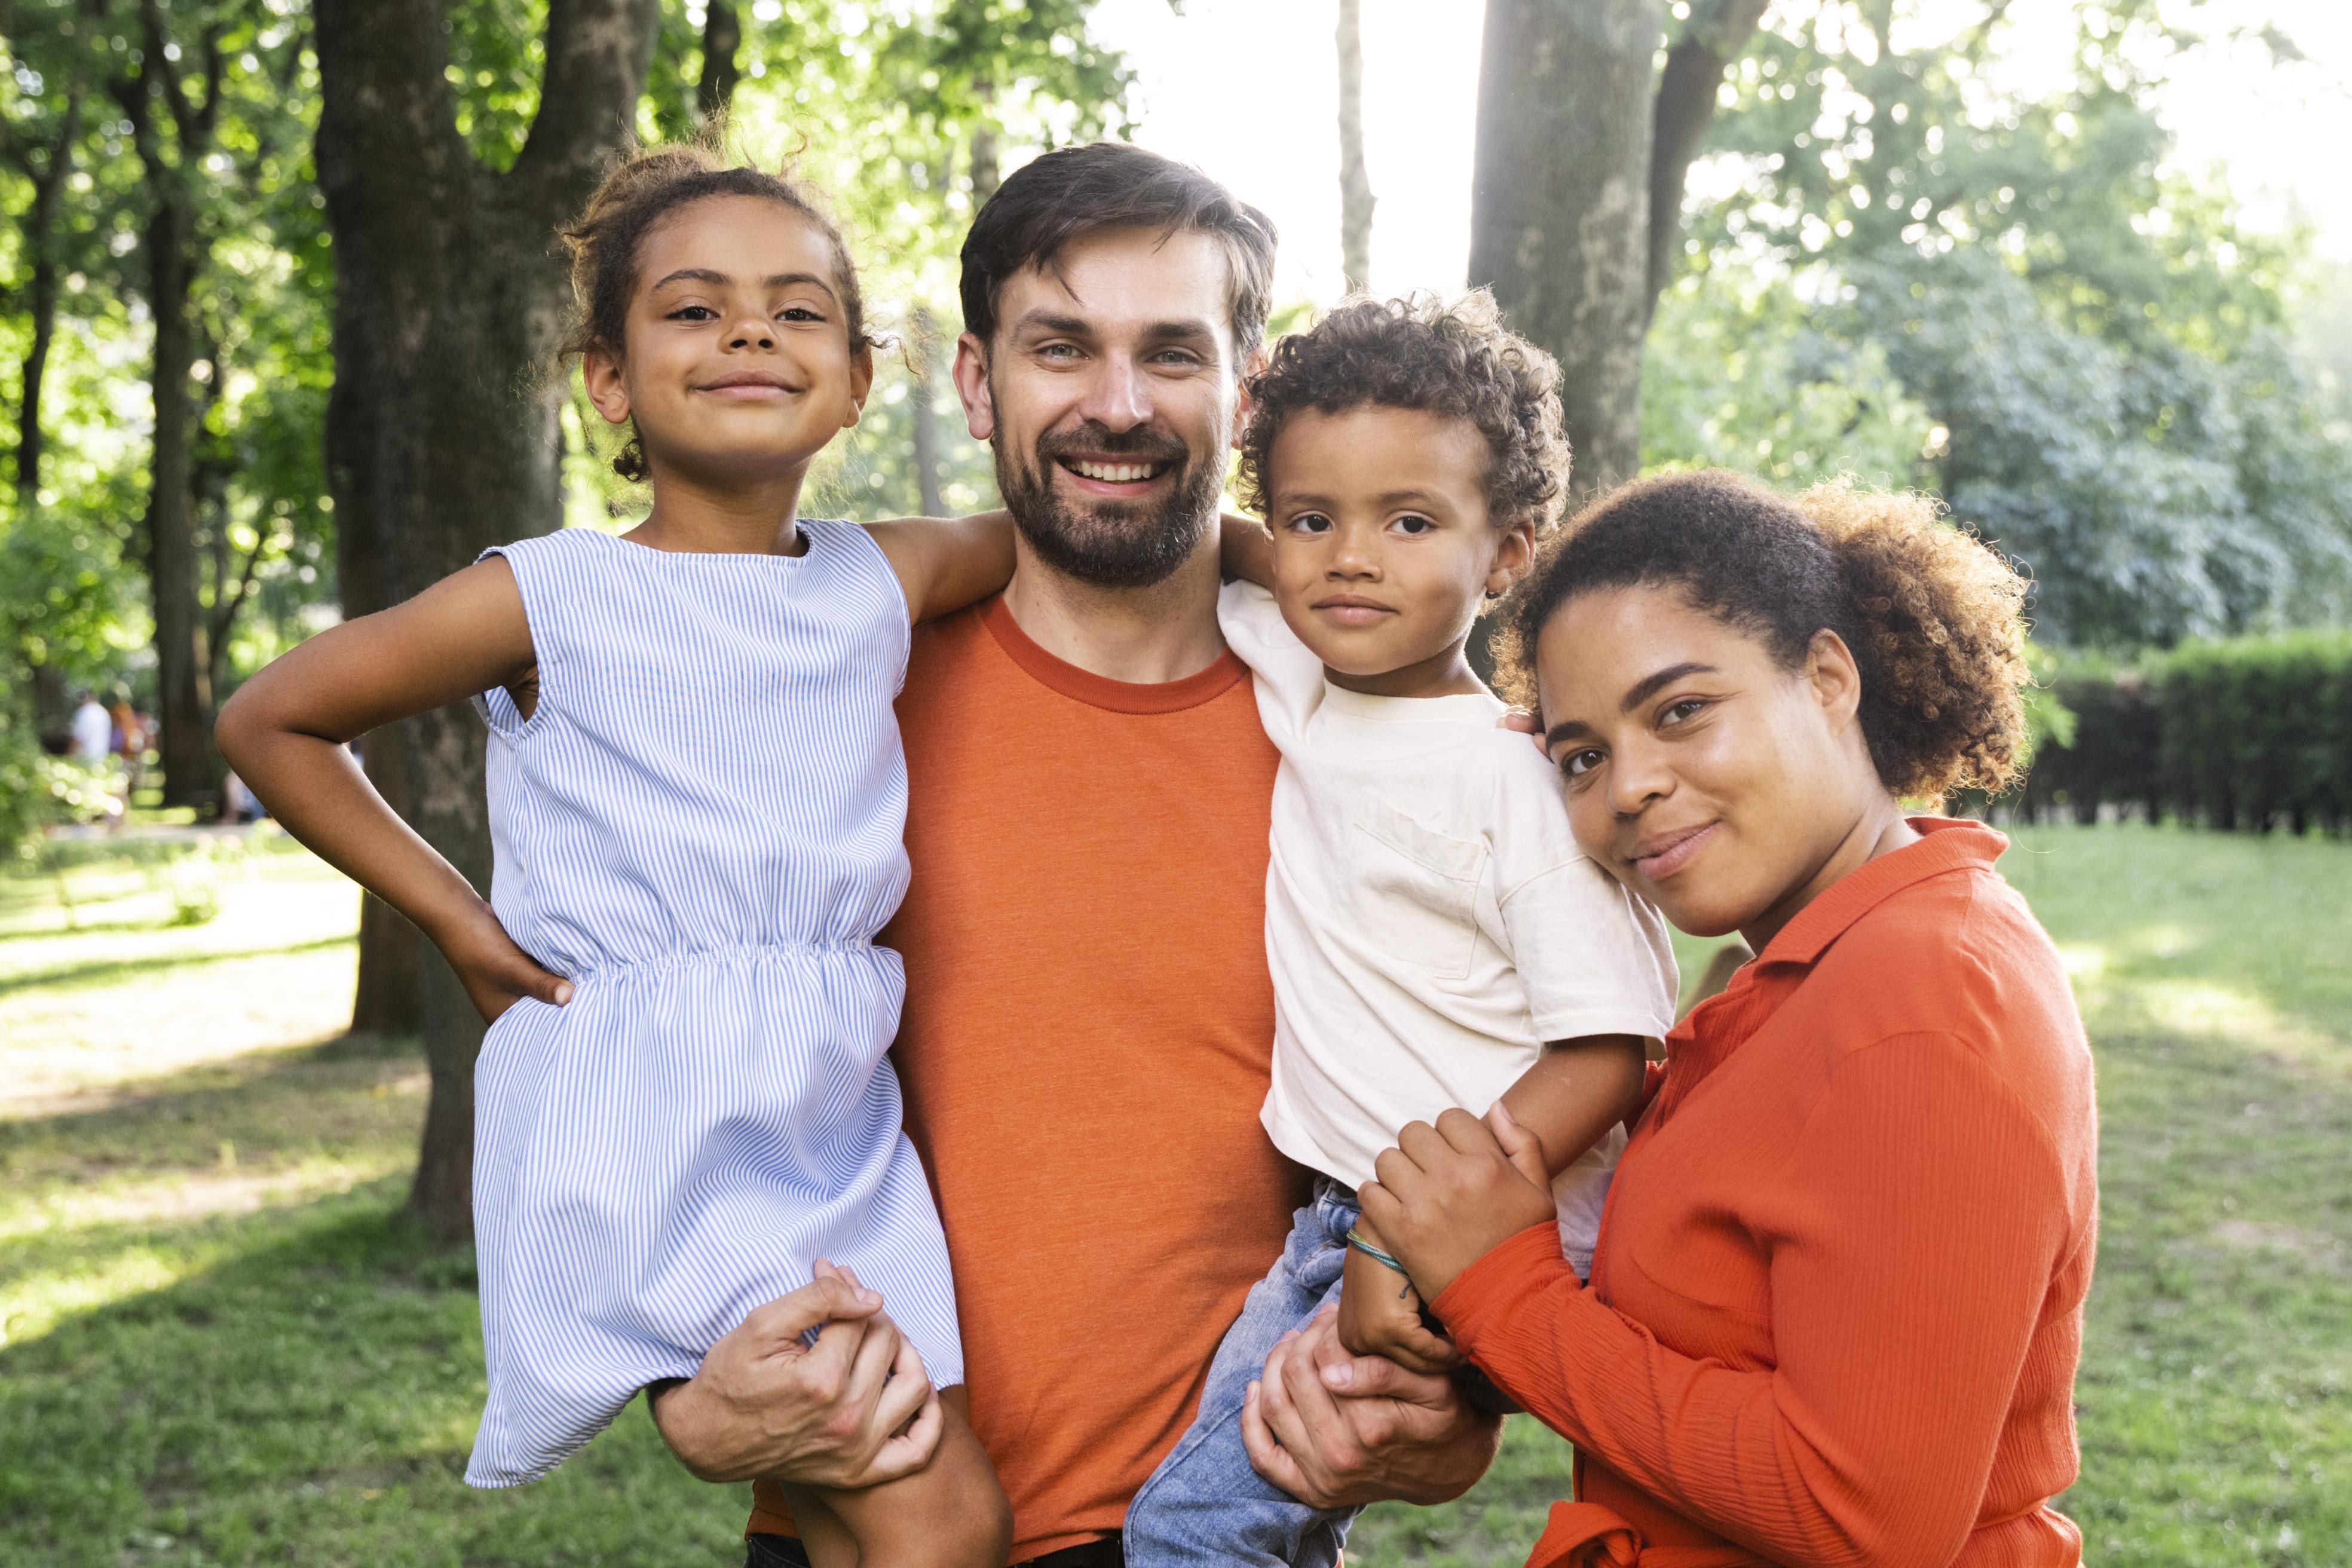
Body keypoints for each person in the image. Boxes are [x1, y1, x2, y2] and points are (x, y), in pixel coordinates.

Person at [647, 142, 1506, 1568]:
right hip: (862, 1505)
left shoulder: (1379, 727)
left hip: (1215, 1521)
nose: (1118, 404)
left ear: (1246, 388)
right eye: (1062, 348)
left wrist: (1453, 1402)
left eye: (1171, 351)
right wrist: (680, 1382)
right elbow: (632, 1050)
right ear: (979, 381)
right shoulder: (822, 686)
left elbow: (1502, 1095)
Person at [216, 146, 1018, 1568]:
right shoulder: (552, 589)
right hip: (661, 1101)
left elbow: (1090, 544)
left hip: (832, 1104)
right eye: (695, 310)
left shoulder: (882, 571)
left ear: (856, 376)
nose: (751, 335)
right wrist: (454, 919)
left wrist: (1279, 555)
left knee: (856, 1505)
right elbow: (272, 717)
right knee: (934, 1507)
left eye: (797, 310)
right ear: (606, 378)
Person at [1361, 470, 2099, 1567]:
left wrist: (1498, 1289)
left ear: (1829, 677)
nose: (1629, 788)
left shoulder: (1925, 999)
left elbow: (1863, 1519)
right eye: (1582, 754)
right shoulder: (1782, 981)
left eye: (1681, 710)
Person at [1123, 293, 1678, 1568]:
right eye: (1317, 518)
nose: (1351, 557)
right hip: (1345, 1216)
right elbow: (1205, 541)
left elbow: (1615, 1048)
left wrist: (1403, 1239)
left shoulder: (1512, 779)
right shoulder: (1296, 669)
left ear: (1510, 554)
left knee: (1189, 1535)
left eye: (1410, 521)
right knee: (1274, 1518)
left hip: (1449, 1228)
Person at [70, 691, 111, 765]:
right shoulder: (104, 712)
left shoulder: (84, 712)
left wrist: (70, 760)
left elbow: (78, 739)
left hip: (85, 761)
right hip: (101, 761)